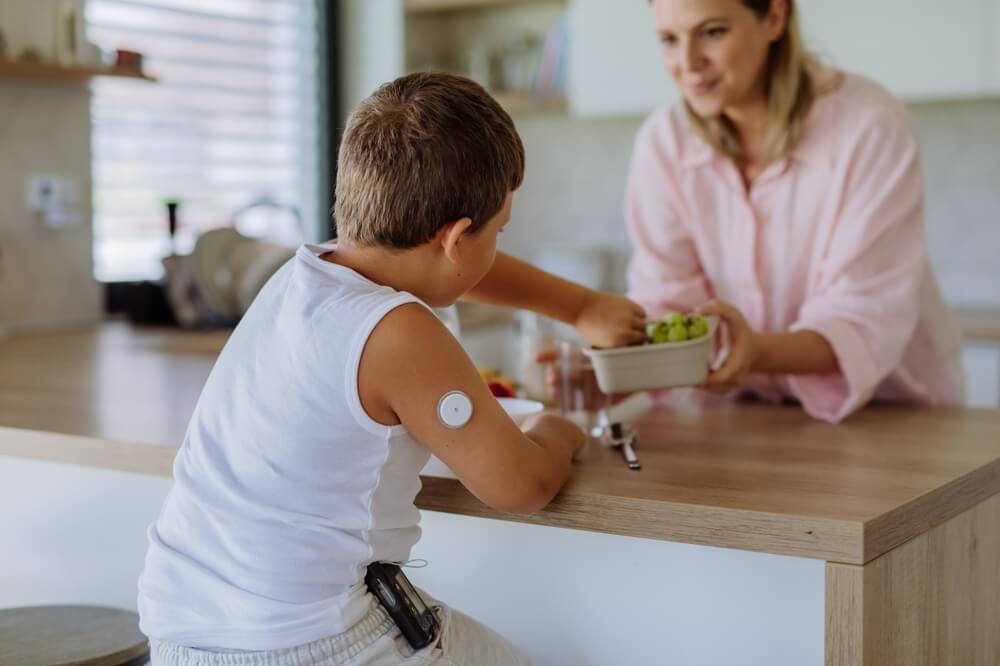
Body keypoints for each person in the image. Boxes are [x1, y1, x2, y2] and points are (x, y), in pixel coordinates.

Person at [137, 72, 646, 666]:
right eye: (498, 230)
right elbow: (521, 486)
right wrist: (561, 430)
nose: (496, 247)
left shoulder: (303, 276)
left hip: (182, 635)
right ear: (457, 238)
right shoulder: (398, 330)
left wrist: (580, 306)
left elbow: (447, 264)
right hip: (311, 645)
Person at [626, 0, 965, 422]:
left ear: (774, 18)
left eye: (712, 32)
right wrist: (608, 370)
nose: (688, 63)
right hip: (742, 417)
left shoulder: (869, 125)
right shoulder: (663, 143)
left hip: (887, 413)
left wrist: (754, 351)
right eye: (669, 39)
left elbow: (859, 317)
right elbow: (666, 299)